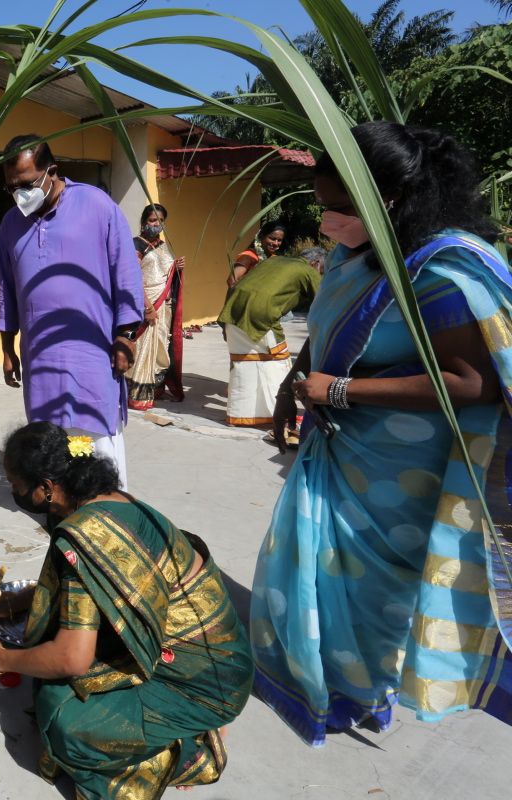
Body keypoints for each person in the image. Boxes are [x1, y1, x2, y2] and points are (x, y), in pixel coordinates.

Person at [252, 121, 512, 747]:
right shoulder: (362, 250)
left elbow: (471, 380)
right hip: (342, 444)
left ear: (392, 198)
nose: (328, 220)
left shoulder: (444, 271)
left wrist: (338, 390)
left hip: (402, 465)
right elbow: (333, 318)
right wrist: (303, 368)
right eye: (323, 203)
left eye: (341, 207)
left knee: (376, 586)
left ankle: (362, 687)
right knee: (321, 567)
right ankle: (333, 676)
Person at [0, 422, 252, 798]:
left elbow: (72, 659)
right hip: (215, 657)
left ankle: (189, 753)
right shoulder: (112, 502)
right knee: (50, 674)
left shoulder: (86, 537)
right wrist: (13, 602)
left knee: (65, 721)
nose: (13, 492)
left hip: (202, 681)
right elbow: (99, 590)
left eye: (16, 483)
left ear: (46, 488)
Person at [0, 134, 144, 486]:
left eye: (27, 184)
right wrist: (6, 348)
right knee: (55, 433)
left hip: (91, 352)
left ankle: (106, 498)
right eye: (11, 188)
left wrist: (125, 337)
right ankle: (67, 497)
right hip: (40, 356)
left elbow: (124, 270)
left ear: (52, 171)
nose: (20, 194)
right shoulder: (10, 225)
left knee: (92, 428)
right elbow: (7, 290)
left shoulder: (96, 205)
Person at [217, 253, 320, 428]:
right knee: (279, 361)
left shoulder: (273, 260)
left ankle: (241, 416)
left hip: (232, 311)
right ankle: (280, 413)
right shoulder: (307, 269)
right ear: (316, 262)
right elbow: (323, 299)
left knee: (245, 363)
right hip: (259, 316)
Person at [125, 203, 186, 410]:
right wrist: (147, 307)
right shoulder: (136, 245)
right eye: (153, 220)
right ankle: (137, 394)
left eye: (161, 222)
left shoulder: (161, 246)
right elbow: (132, 278)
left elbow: (164, 273)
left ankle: (154, 388)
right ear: (143, 222)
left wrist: (175, 268)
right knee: (143, 350)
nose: (157, 225)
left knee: (161, 348)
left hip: (164, 306)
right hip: (147, 304)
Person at [227, 220, 288, 288]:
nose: (276, 243)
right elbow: (232, 281)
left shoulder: (275, 259)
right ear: (261, 236)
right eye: (272, 239)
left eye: (279, 240)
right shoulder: (249, 256)